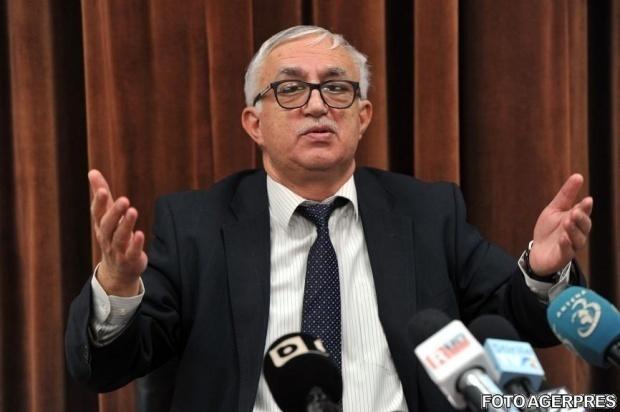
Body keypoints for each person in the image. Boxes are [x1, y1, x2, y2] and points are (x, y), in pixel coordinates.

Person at [65, 26, 593, 411]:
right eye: (290, 88)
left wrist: (543, 272)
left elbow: (516, 321)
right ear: (254, 122)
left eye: (337, 88)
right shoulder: (197, 226)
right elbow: (107, 367)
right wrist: (117, 286)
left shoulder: (428, 213)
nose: (317, 106)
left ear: (363, 117)